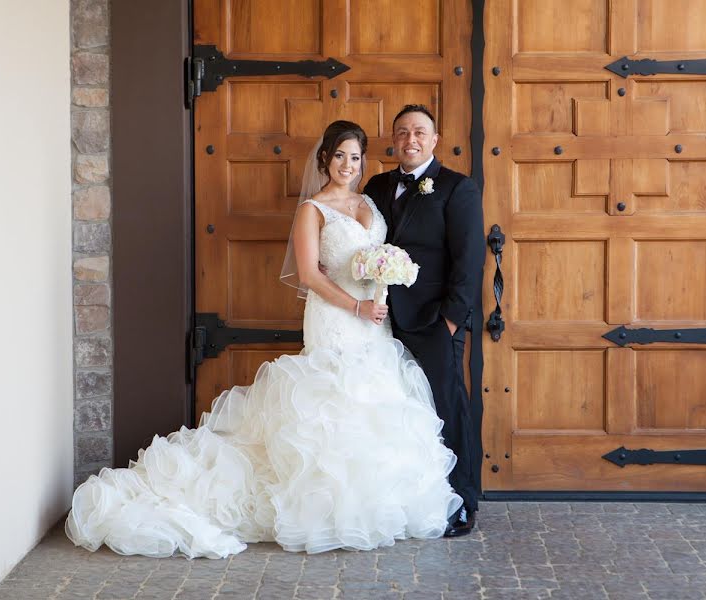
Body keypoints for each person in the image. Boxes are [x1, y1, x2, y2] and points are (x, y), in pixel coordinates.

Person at [64, 120, 462, 559]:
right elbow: (310, 274)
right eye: (340, 156)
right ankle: (324, 509)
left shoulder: (371, 199)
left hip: (375, 322)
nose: (348, 165)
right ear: (324, 160)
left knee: (376, 404)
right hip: (337, 317)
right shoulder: (314, 208)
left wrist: (383, 283)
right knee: (331, 409)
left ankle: (378, 505)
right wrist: (355, 306)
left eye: (355, 157)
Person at [363, 105, 485, 537]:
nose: (410, 140)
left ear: (434, 140)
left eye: (419, 132)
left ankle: (463, 502)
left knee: (446, 407)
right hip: (378, 321)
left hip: (433, 320)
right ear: (393, 140)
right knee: (392, 410)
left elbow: (469, 261)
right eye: (401, 133)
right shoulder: (376, 186)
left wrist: (451, 322)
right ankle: (403, 501)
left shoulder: (457, 188)